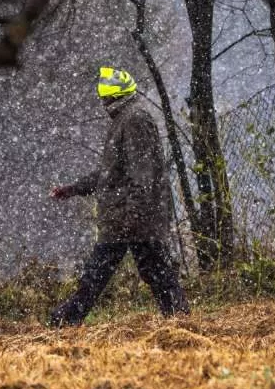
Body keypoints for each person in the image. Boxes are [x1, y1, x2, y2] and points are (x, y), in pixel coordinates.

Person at [49, 66, 190, 327]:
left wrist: (132, 216)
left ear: (115, 97)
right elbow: (110, 173)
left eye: (106, 99)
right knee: (153, 272)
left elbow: (141, 176)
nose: (103, 104)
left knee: (103, 273)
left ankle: (66, 319)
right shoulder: (124, 119)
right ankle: (179, 319)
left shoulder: (134, 121)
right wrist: (73, 189)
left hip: (131, 218)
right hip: (128, 217)